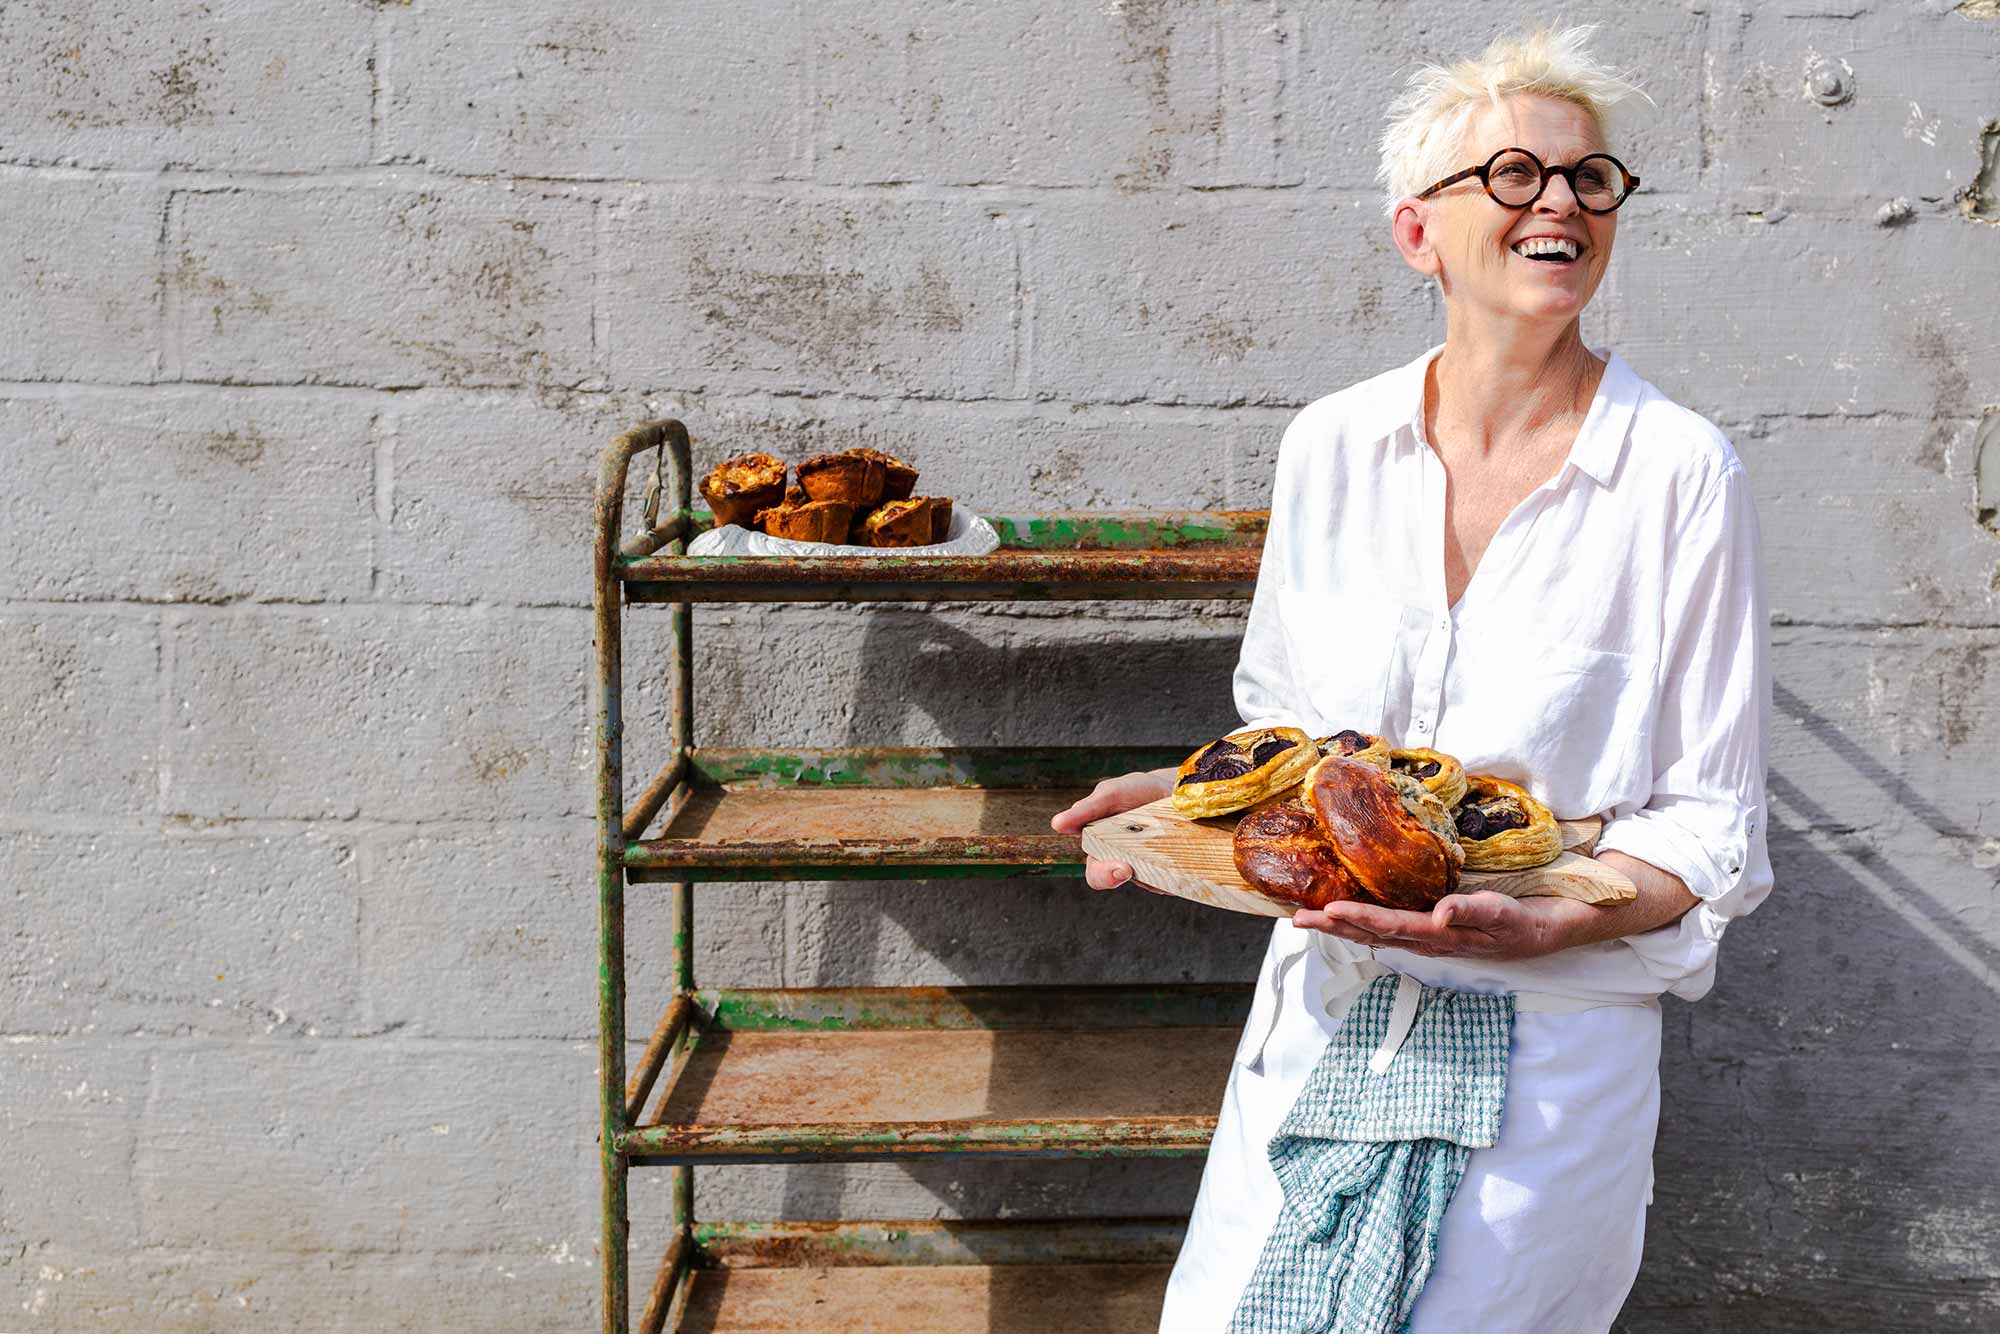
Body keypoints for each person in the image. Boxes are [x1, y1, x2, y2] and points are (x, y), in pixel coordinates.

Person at [1050, 25, 1772, 1333]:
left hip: (1548, 1049)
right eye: (1512, 174)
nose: (1559, 200)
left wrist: (1555, 920)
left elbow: (1713, 824)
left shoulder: (1680, 476)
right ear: (1418, 233)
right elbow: (1294, 742)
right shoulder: (1330, 448)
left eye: (1589, 178)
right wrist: (1187, 799)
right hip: (1325, 1012)